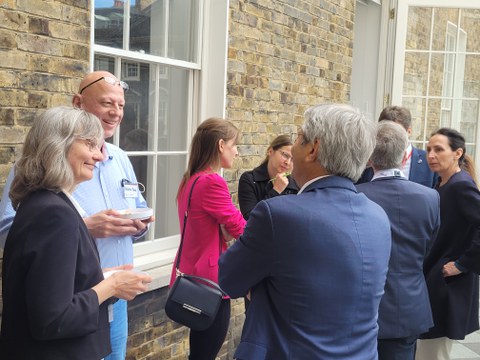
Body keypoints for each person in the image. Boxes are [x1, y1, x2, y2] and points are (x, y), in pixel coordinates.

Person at [0, 71, 154, 360]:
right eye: (88, 145)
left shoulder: (119, 159)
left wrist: (137, 226)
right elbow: (52, 317)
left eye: (121, 106)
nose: (98, 155)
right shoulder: (52, 211)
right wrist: (86, 229)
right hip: (76, 316)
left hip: (106, 295)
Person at [219, 103, 392, 359]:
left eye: (299, 139)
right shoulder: (379, 217)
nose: (292, 153)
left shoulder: (278, 215)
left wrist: (262, 286)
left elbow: (228, 279)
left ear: (313, 149)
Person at [356, 121, 440, 360]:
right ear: (405, 156)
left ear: (370, 158)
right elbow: (429, 248)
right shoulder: (430, 197)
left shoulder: (355, 195)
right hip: (408, 304)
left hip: (362, 306)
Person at [169, 118, 247, 360]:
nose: (237, 151)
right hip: (211, 284)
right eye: (235, 145)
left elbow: (208, 225)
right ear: (221, 145)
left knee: (200, 350)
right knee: (206, 353)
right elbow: (239, 227)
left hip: (193, 276)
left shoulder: (190, 179)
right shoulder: (212, 181)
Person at [416, 128, 480, 360]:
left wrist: (463, 264)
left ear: (457, 153)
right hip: (436, 280)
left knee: (433, 353)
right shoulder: (443, 184)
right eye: (429, 149)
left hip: (447, 284)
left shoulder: (461, 185)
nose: (431, 155)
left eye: (439, 149)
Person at [356, 105, 438, 187]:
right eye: (385, 131)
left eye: (396, 132)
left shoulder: (429, 161)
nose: (389, 137)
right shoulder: (366, 159)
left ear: (409, 131)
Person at [238, 134, 298, 220]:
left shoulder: (296, 183)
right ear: (270, 151)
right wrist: (276, 191)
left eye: (293, 159)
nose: (288, 162)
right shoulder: (249, 179)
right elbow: (250, 218)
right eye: (285, 155)